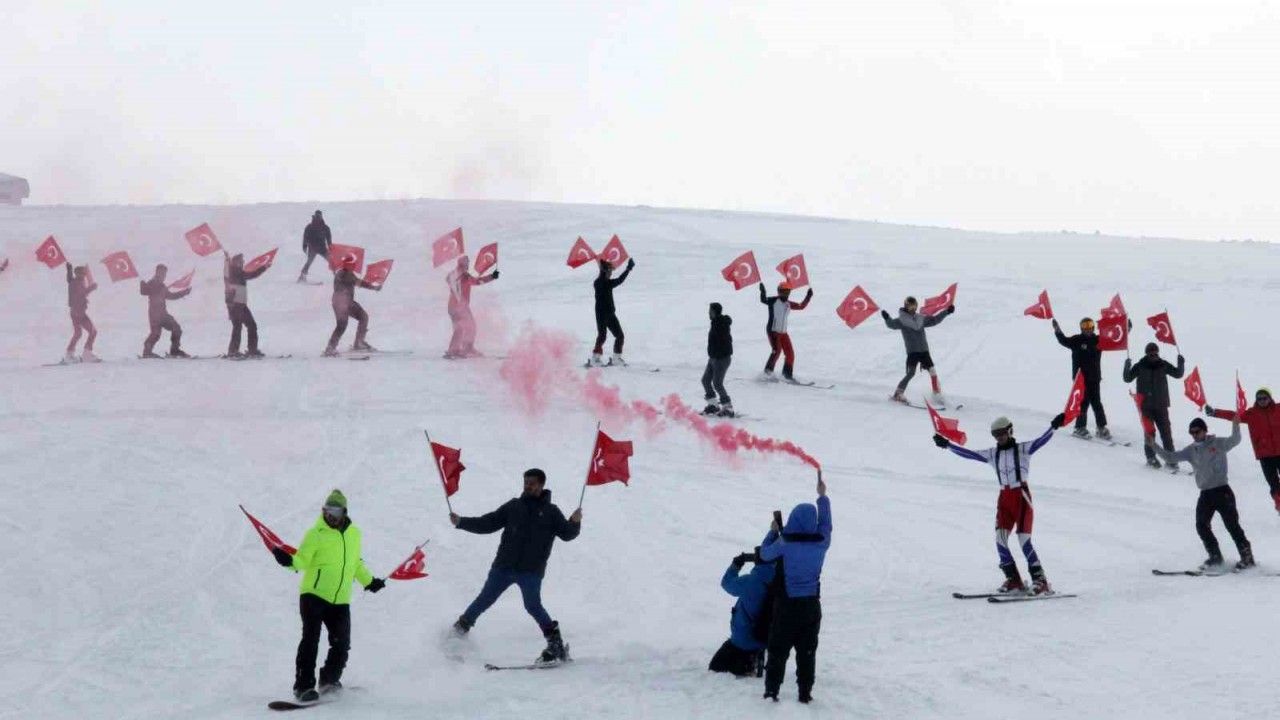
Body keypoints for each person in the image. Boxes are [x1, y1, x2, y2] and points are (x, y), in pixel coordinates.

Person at [449, 469, 582, 663]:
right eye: (526, 482)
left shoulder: (551, 512)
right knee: (484, 599)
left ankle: (556, 645)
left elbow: (567, 534)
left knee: (533, 606)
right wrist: (461, 522)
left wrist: (574, 522)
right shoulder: (513, 506)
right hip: (503, 567)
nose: (528, 486)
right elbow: (488, 523)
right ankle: (458, 633)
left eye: (532, 483)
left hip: (531, 571)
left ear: (542, 485)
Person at [271, 489, 385, 703]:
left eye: (334, 510)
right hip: (313, 595)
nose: (329, 514)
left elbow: (355, 563)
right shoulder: (315, 534)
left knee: (342, 643)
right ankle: (303, 687)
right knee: (311, 640)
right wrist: (288, 561)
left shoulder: (354, 534)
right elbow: (302, 560)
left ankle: (329, 680)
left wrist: (369, 581)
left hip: (340, 599)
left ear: (344, 512)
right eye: (326, 510)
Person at [934, 413, 1066, 594]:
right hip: (1004, 497)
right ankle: (1014, 580)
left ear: (1010, 431)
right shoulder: (993, 454)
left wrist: (1054, 427)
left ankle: (1040, 580)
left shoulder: (1023, 449)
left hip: (1021, 496)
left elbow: (1041, 441)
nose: (999, 437)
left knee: (1024, 540)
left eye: (1002, 433)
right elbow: (969, 454)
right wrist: (947, 445)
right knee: (1000, 539)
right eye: (995, 435)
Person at [759, 470, 830, 704]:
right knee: (807, 653)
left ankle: (771, 692)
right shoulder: (821, 542)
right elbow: (826, 524)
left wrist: (772, 531)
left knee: (778, 649)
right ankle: (805, 693)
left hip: (787, 606)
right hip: (811, 606)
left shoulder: (784, 543)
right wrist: (822, 497)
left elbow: (765, 555)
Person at [1149, 417, 1253, 570]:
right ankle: (1215, 557)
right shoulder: (1191, 450)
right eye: (1192, 433)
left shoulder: (1218, 444)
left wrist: (1235, 423)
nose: (1194, 435)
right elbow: (1171, 457)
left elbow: (1235, 439)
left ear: (1205, 431)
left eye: (1197, 431)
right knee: (1201, 525)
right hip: (1205, 494)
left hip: (1222, 491)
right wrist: (1153, 445)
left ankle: (1247, 557)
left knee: (1232, 525)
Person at [710, 531, 777, 678]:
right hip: (766, 638)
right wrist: (774, 533)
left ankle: (746, 663)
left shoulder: (750, 581)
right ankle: (755, 658)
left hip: (742, 640)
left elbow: (726, 584)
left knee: (715, 668)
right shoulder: (783, 582)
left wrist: (735, 565)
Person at [1206, 388, 1280, 513]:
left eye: (1264, 398)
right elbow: (1233, 416)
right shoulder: (1252, 414)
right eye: (1259, 398)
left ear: (1270, 398)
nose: (1262, 401)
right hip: (1265, 455)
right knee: (1273, 483)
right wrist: (1215, 412)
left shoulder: (1278, 409)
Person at [1124, 343, 1185, 470]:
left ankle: (1171, 459)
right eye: (1150, 353)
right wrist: (1127, 365)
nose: (1153, 355)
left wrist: (1181, 362)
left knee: (1166, 433)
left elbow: (1178, 374)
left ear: (1158, 353)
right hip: (1145, 406)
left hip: (1161, 405)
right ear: (1146, 354)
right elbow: (1127, 378)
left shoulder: (1163, 365)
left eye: (1155, 353)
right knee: (1149, 433)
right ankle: (1151, 458)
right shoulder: (1140, 365)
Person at [881, 297, 954, 404]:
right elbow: (891, 324)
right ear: (906, 306)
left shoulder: (920, 318)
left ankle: (937, 394)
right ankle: (898, 394)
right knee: (911, 373)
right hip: (913, 352)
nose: (913, 308)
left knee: (933, 372)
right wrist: (887, 318)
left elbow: (934, 320)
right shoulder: (902, 321)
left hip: (924, 350)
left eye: (914, 306)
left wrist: (946, 312)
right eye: (910, 306)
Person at [1053, 317, 1110, 439]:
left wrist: (1127, 329)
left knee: (1097, 403)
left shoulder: (1098, 340)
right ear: (1081, 328)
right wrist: (1057, 330)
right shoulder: (1077, 340)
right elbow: (1063, 340)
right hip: (1081, 379)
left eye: (1090, 325)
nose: (1088, 328)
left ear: (1093, 327)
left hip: (1095, 378)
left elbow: (1114, 340)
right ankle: (1080, 428)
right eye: (1085, 326)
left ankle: (1101, 428)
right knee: (1083, 403)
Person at [323, 257, 381, 356]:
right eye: (352, 264)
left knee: (359, 318)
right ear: (347, 265)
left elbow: (357, 281)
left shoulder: (342, 273)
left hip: (343, 302)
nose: (354, 266)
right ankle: (353, 344)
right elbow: (360, 282)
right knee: (348, 322)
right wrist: (374, 287)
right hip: (343, 303)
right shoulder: (345, 274)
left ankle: (355, 343)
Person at [444, 255, 499, 359]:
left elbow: (476, 281)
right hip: (458, 307)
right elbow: (477, 281)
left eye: (468, 263)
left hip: (456, 307)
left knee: (466, 327)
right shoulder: (460, 276)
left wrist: (492, 276)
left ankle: (464, 348)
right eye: (467, 263)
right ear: (462, 264)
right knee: (463, 327)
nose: (468, 265)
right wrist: (492, 276)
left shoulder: (461, 275)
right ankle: (455, 350)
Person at [759, 282, 813, 382]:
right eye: (783, 292)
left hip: (783, 332)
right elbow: (763, 300)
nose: (785, 294)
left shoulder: (788, 304)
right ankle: (767, 374)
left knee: (790, 353)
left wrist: (808, 296)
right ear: (779, 292)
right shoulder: (773, 300)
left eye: (787, 292)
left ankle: (787, 375)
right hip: (773, 331)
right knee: (776, 351)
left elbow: (801, 306)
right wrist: (763, 291)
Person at [223, 251, 270, 358]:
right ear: (235, 262)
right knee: (238, 326)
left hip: (241, 304)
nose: (243, 262)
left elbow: (249, 274)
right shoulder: (234, 271)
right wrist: (264, 267)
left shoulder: (237, 271)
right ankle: (233, 351)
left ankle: (252, 349)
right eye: (241, 260)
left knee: (251, 325)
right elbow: (251, 275)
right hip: (234, 304)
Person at [589, 258, 635, 367]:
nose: (611, 273)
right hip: (601, 314)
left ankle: (616, 358)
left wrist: (628, 269)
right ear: (604, 271)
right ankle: (595, 359)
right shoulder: (600, 283)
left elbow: (618, 280)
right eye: (609, 271)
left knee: (620, 335)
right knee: (602, 335)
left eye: (611, 271)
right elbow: (616, 281)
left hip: (610, 314)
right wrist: (628, 269)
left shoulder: (606, 282)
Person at [140, 264, 192, 358]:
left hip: (163, 314)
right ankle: (147, 352)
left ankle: (174, 351)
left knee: (176, 329)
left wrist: (184, 292)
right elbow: (144, 291)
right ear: (157, 272)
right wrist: (142, 284)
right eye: (162, 273)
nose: (164, 275)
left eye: (165, 273)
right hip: (155, 315)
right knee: (156, 334)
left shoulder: (161, 285)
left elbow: (171, 296)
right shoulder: (153, 282)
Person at [702, 302, 734, 416]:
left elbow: (725, 341)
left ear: (714, 312)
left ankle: (728, 407)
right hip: (713, 358)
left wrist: (719, 353)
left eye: (710, 311)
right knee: (705, 380)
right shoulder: (715, 322)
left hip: (721, 359)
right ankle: (713, 405)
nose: (708, 313)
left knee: (717, 383)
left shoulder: (721, 324)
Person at [64, 261, 99, 362]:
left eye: (85, 274)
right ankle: (86, 354)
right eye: (83, 274)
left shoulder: (74, 281)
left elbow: (69, 279)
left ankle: (69, 354)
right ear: (79, 274)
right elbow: (81, 294)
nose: (85, 276)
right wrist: (92, 288)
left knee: (78, 333)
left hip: (75, 312)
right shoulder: (77, 282)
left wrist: (69, 269)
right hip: (79, 313)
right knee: (93, 331)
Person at [299, 210, 332, 283]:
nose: (318, 217)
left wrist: (330, 247)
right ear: (315, 216)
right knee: (309, 262)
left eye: (319, 216)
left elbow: (328, 239)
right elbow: (305, 237)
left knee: (331, 261)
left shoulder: (325, 228)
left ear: (321, 217)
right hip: (312, 248)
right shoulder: (309, 227)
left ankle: (339, 277)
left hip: (322, 248)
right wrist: (304, 246)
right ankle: (302, 276)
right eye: (317, 216)